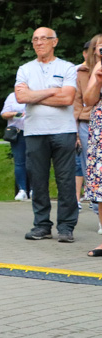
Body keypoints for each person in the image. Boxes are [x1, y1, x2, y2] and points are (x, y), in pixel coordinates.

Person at [15, 27, 78, 243]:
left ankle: (66, 227)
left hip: (64, 131)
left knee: (66, 180)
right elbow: (21, 97)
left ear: (55, 42)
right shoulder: (24, 69)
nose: (39, 42)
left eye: (44, 38)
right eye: (35, 39)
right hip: (34, 132)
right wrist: (52, 90)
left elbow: (67, 99)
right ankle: (42, 225)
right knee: (38, 181)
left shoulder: (67, 67)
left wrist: (34, 95)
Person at [79, 35, 102, 236]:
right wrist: (98, 81)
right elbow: (88, 100)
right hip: (100, 125)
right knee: (101, 181)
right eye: (100, 47)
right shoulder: (97, 68)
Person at [75, 40, 93, 207]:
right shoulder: (80, 72)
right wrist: (74, 132)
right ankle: (98, 210)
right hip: (87, 122)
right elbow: (77, 102)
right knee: (90, 167)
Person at [1, 92, 28, 200]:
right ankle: (22, 189)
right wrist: (18, 114)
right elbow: (4, 113)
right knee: (19, 162)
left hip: (34, 131)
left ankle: (35, 189)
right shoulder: (12, 96)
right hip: (18, 132)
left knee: (35, 161)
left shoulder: (38, 92)